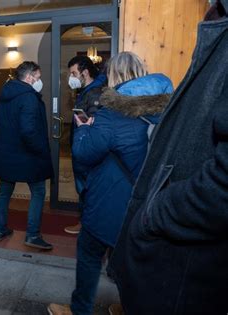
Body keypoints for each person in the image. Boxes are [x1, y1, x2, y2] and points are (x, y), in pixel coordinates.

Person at [108, 1, 228, 314]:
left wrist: (153, 213)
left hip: (175, 265)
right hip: (173, 258)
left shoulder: (113, 106)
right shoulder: (164, 87)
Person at [47, 51, 173, 315]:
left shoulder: (113, 113)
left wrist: (84, 130)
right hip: (150, 202)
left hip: (111, 200)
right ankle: (129, 307)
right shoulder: (169, 110)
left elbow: (84, 153)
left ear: (114, 76)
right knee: (133, 261)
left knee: (90, 254)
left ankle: (80, 310)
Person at [0, 61, 54, 250]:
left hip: (7, 154)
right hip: (28, 156)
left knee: (4, 193)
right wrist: (40, 149)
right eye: (38, 77)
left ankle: (0, 230)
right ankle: (32, 235)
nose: (39, 80)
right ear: (29, 77)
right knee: (38, 192)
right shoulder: (28, 97)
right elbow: (28, 131)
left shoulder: (4, 94)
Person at [65, 56, 106, 235]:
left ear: (85, 72)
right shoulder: (86, 91)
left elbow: (93, 124)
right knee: (84, 189)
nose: (71, 77)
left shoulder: (95, 93)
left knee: (87, 189)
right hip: (82, 147)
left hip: (88, 150)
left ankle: (87, 225)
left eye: (74, 73)